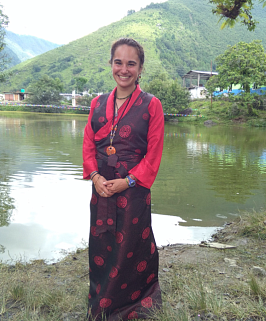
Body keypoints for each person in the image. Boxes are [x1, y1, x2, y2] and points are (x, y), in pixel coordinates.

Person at [82, 38, 164, 321]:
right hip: (101, 189)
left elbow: (153, 155)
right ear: (111, 64)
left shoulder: (152, 105)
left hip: (133, 192)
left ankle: (134, 303)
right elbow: (88, 144)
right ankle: (100, 302)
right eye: (119, 62)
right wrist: (95, 177)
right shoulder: (97, 103)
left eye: (131, 63)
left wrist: (127, 182)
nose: (124, 69)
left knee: (130, 247)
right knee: (101, 246)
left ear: (140, 68)